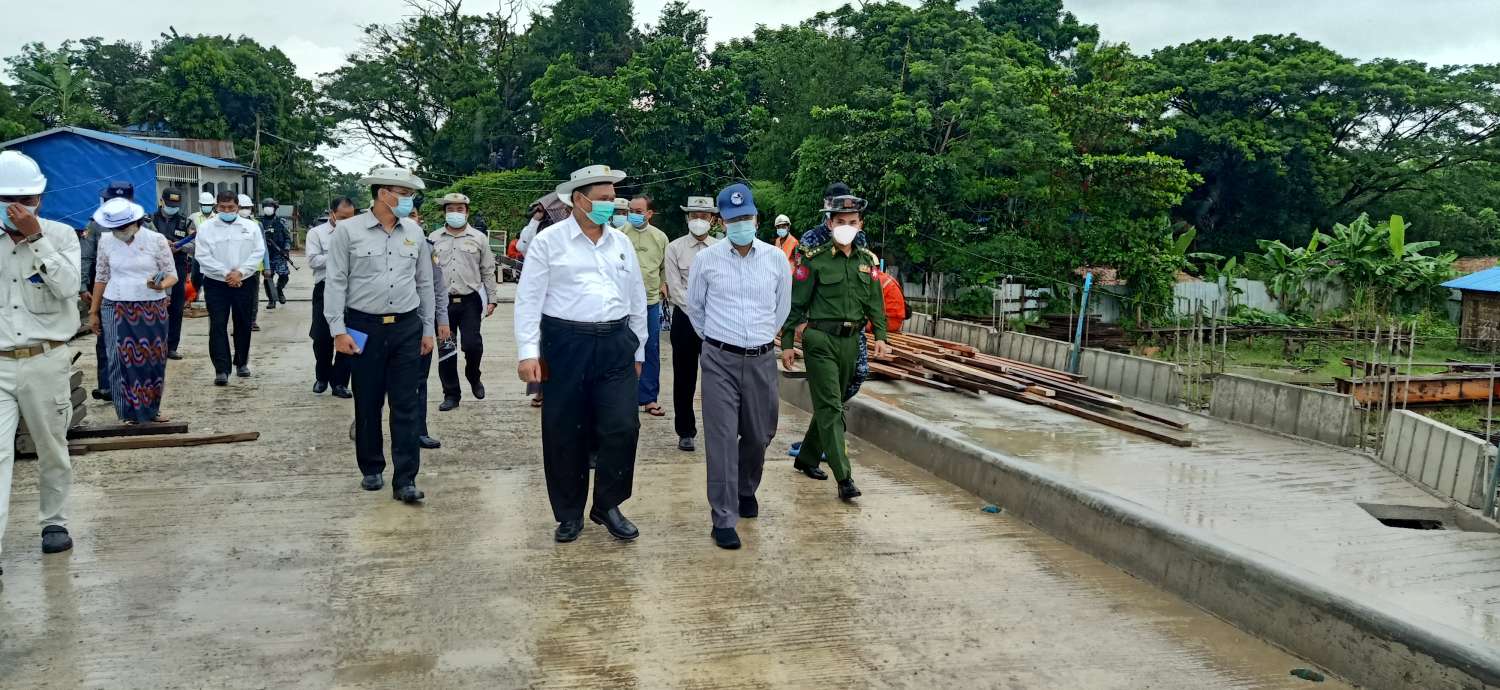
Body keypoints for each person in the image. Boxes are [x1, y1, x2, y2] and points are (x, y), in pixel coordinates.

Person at [515, 164, 646, 543]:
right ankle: (569, 513)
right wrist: (528, 353)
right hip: (565, 345)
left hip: (615, 344)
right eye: (603, 199)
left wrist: (638, 349)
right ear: (578, 199)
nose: (610, 205)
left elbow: (636, 298)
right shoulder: (549, 242)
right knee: (564, 431)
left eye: (613, 199)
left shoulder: (621, 243)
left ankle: (608, 503)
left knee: (623, 426)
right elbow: (528, 300)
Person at [686, 183, 791, 549]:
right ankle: (723, 517)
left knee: (760, 434)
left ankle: (746, 487)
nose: (741, 224)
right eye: (733, 220)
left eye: (746, 217)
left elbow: (782, 307)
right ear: (722, 222)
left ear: (756, 218)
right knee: (721, 440)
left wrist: (761, 337)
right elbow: (695, 309)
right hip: (719, 360)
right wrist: (720, 341)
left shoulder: (776, 259)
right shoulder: (707, 260)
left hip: (761, 358)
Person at [325, 167, 436, 505]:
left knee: (406, 404)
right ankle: (371, 467)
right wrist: (338, 330)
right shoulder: (348, 231)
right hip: (363, 326)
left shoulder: (414, 231)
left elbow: (424, 283)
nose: (409, 200)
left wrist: (427, 329)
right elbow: (336, 281)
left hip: (406, 326)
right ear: (383, 194)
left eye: (410, 194)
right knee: (368, 400)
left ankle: (406, 479)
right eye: (403, 193)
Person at [0, 149, 83, 571]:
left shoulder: (61, 236)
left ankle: (54, 521)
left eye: (27, 200)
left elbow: (68, 287)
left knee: (51, 447)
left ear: (40, 200)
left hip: (45, 359)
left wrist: (36, 239)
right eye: (8, 199)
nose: (18, 208)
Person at [780, 192, 890, 501]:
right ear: (829, 224)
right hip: (820, 340)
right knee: (830, 406)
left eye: (852, 222)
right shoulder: (813, 260)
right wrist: (787, 343)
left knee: (833, 403)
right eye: (840, 221)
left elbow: (875, 303)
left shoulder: (867, 262)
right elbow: (796, 303)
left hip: (851, 341)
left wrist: (881, 336)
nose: (846, 227)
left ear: (860, 224)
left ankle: (807, 457)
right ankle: (844, 478)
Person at [87, 197, 177, 424]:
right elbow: (101, 277)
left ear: (135, 222)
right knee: (118, 359)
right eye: (115, 228)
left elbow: (171, 275)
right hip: (115, 305)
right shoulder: (106, 241)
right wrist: (93, 312)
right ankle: (127, 412)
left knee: (153, 359)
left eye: (123, 227)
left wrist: (161, 286)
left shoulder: (156, 240)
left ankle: (151, 410)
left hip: (151, 305)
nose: (120, 231)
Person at [429, 192, 498, 411]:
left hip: (470, 301)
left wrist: (492, 299)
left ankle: (473, 375)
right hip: (442, 304)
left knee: (472, 345)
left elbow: (488, 270)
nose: (455, 213)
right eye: (450, 209)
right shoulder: (433, 238)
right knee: (446, 350)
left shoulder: (479, 238)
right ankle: (451, 394)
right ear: (444, 212)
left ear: (467, 212)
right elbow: (427, 272)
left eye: (460, 209)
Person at [663, 195, 720, 451]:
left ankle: (719, 429)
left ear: (712, 219)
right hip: (685, 320)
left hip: (716, 321)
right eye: (694, 215)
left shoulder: (721, 248)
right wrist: (697, 313)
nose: (699, 220)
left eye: (704, 216)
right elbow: (675, 289)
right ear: (687, 218)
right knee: (684, 378)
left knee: (717, 379)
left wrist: (711, 315)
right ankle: (685, 430)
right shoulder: (674, 248)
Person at [196, 191, 265, 385]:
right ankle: (221, 369)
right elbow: (202, 255)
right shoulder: (206, 228)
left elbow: (258, 251)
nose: (227, 211)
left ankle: (241, 362)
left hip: (244, 281)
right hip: (216, 282)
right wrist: (226, 274)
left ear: (237, 207)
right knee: (217, 324)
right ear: (216, 207)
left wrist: (240, 272)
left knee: (243, 322)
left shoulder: (250, 227)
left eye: (231, 207)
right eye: (222, 207)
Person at [80, 181, 138, 401]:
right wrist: (83, 285)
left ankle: (131, 384)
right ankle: (107, 385)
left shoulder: (144, 224)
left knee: (134, 339)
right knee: (105, 339)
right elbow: (86, 257)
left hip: (136, 292)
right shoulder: (96, 225)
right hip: (105, 289)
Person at [623, 195, 669, 418]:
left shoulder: (660, 238)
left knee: (650, 348)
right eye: (631, 210)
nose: (633, 214)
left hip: (650, 301)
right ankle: (623, 397)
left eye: (639, 211)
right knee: (623, 349)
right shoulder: (619, 234)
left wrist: (664, 285)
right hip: (623, 303)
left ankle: (649, 398)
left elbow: (664, 268)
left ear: (650, 213)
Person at [305, 197, 355, 398]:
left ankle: (340, 383)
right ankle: (322, 377)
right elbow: (313, 260)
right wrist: (339, 254)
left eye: (351, 217)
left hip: (352, 290)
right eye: (343, 217)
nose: (347, 222)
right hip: (325, 288)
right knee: (322, 337)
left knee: (349, 335)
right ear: (332, 213)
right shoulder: (316, 233)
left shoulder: (359, 234)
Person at [416, 242, 450, 449]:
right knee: (374, 381)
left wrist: (442, 319)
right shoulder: (363, 237)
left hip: (418, 322)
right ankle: (366, 423)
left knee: (419, 380)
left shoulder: (426, 247)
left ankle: (419, 430)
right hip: (374, 322)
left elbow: (438, 285)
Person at [153, 190, 193, 360]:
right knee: (155, 307)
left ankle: (171, 347)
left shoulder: (186, 222)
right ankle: (155, 346)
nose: (172, 208)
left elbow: (195, 244)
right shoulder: (150, 220)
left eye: (175, 206)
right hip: (155, 268)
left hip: (178, 267)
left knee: (176, 308)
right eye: (169, 205)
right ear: (162, 201)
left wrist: (180, 247)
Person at [259, 198, 291, 310]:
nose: (268, 208)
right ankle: (271, 299)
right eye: (265, 206)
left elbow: (287, 237)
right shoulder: (259, 222)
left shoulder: (281, 221)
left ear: (275, 208)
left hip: (279, 253)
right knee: (268, 278)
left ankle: (279, 290)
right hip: (265, 255)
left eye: (270, 206)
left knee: (284, 275)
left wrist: (286, 250)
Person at [188, 192, 215, 304]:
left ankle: (212, 301)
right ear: (200, 205)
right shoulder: (193, 217)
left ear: (212, 205)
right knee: (196, 278)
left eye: (208, 205)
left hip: (213, 254)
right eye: (204, 205)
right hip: (198, 253)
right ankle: (194, 300)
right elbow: (189, 233)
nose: (206, 207)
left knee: (212, 279)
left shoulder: (217, 218)